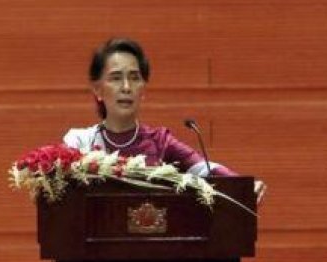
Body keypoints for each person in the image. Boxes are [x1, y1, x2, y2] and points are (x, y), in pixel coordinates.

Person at [63, 37, 267, 204]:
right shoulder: (80, 142)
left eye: (134, 78)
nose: (126, 87)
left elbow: (204, 168)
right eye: (116, 78)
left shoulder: (159, 141)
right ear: (98, 90)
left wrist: (243, 187)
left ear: (143, 89)